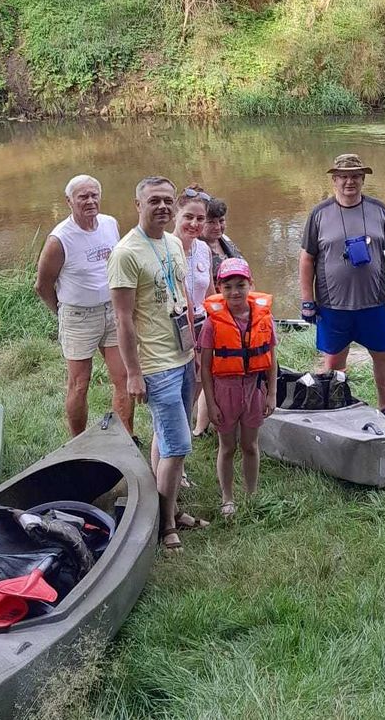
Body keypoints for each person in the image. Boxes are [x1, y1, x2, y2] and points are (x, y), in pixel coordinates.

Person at [108, 177, 197, 553]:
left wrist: (193, 341)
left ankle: (170, 507)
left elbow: (181, 297)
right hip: (155, 364)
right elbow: (123, 318)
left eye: (167, 200)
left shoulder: (174, 242)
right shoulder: (126, 253)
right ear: (137, 204)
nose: (162, 206)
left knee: (165, 435)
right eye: (153, 200)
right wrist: (133, 373)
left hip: (184, 355)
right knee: (178, 445)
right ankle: (165, 524)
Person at [299, 154, 385, 426]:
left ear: (363, 179)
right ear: (334, 180)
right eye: (344, 176)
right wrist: (307, 300)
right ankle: (336, 406)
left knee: (383, 355)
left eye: (356, 176)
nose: (350, 181)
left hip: (374, 302)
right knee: (334, 361)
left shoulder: (379, 210)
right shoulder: (319, 214)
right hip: (333, 305)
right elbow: (307, 258)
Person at [35, 174, 131, 436]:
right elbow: (43, 286)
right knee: (79, 384)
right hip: (78, 316)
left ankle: (126, 440)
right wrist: (63, 312)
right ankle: (78, 442)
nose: (90, 201)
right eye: (83, 197)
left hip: (112, 312)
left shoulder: (110, 224)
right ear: (69, 201)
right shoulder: (59, 239)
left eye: (94, 195)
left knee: (123, 378)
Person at [197, 258, 277, 517]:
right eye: (228, 286)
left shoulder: (264, 319)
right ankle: (227, 497)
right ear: (219, 287)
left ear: (250, 285)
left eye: (240, 285)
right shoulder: (212, 324)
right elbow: (206, 369)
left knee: (250, 446)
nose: (235, 292)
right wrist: (211, 404)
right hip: (224, 391)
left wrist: (272, 394)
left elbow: (271, 360)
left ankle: (252, 495)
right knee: (228, 447)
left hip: (254, 390)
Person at [177, 188, 215, 437]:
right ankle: (173, 443)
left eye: (200, 219)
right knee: (178, 392)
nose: (194, 224)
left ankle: (186, 434)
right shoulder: (165, 248)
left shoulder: (203, 249)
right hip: (176, 329)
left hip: (203, 325)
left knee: (197, 387)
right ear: (175, 215)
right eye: (188, 216)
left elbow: (210, 292)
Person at [202, 196, 242, 282]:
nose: (217, 227)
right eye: (211, 222)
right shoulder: (194, 249)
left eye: (221, 221)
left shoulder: (226, 239)